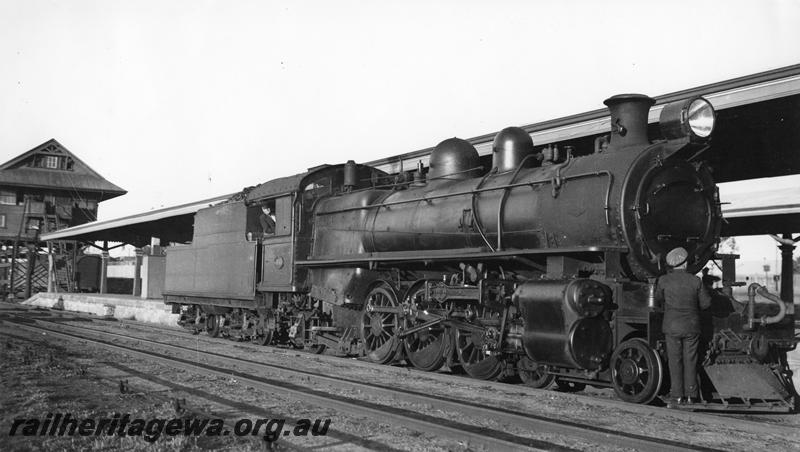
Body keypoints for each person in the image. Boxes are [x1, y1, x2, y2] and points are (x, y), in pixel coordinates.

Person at [656, 247, 711, 407]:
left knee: (675, 361)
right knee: (691, 360)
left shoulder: (664, 280)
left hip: (672, 326)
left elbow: (659, 299)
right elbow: (706, 304)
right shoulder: (695, 281)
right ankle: (691, 396)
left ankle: (677, 396)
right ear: (685, 263)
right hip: (691, 327)